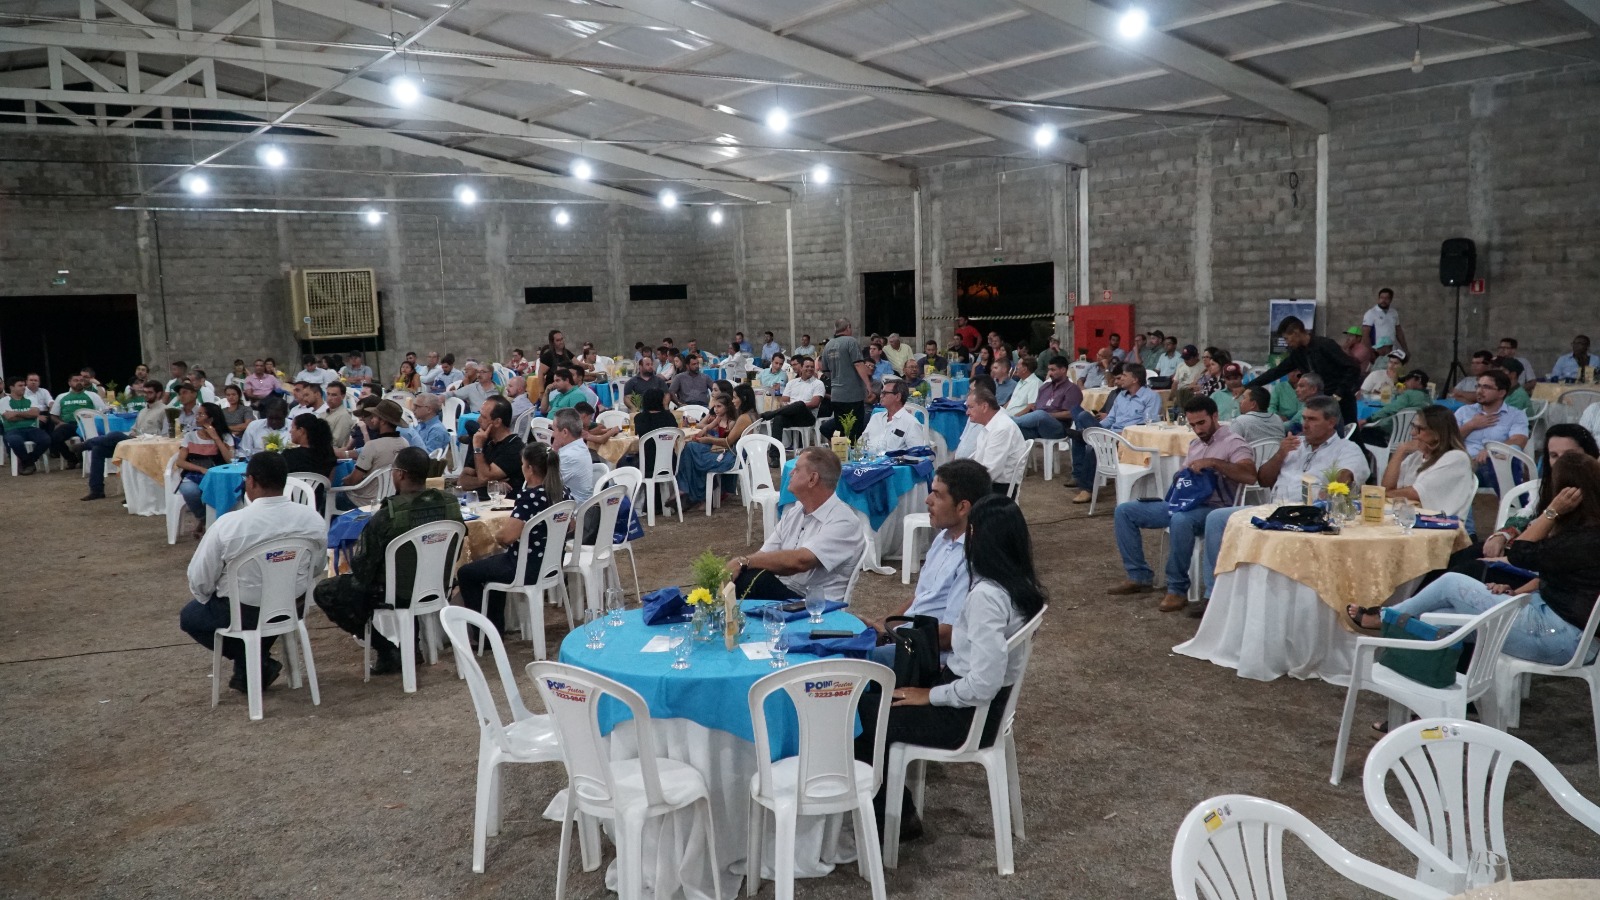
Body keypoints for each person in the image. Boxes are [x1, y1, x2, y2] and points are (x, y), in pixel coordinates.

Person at [856, 494, 1045, 839]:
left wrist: (929, 695)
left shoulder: (986, 595)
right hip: (982, 709)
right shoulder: (1021, 586)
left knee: (856, 716)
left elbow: (983, 683)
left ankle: (892, 820)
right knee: (873, 701)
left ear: (979, 539)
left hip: (964, 718)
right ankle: (890, 811)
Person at [1348, 453, 1600, 669]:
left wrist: (1551, 512)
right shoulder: (1585, 533)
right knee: (1432, 619)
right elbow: (1552, 579)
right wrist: (1515, 592)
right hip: (1556, 624)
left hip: (1562, 637)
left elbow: (1520, 553)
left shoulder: (1583, 540)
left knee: (1450, 582)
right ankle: (1434, 700)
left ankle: (1385, 617)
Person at [177, 452, 327, 693]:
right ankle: (254, 664)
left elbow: (200, 579)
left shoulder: (229, 525)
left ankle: (253, 662)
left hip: (244, 611)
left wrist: (212, 595)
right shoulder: (312, 519)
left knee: (190, 616)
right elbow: (317, 567)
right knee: (255, 607)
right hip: (292, 605)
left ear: (251, 481)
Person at [1199, 396, 1369, 606]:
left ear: (1331, 422)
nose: (1305, 424)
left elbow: (1347, 475)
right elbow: (1263, 480)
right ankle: (1213, 595)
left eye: (1313, 419)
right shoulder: (1294, 445)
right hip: (1273, 510)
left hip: (1308, 517)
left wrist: (1333, 489)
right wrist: (1280, 454)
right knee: (1216, 518)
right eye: (1304, 418)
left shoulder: (1347, 449)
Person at [315, 448, 463, 675]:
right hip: (437, 584)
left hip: (395, 591)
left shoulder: (387, 516)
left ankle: (387, 649)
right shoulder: (449, 505)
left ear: (400, 474)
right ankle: (409, 647)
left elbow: (363, 569)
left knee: (327, 591)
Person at [1109, 396, 1257, 612]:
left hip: (1214, 509)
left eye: (1202, 423)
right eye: (1193, 425)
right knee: (1125, 511)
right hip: (1184, 502)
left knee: (1180, 520)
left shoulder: (1234, 442)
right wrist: (1182, 475)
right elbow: (1183, 476)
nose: (1197, 429)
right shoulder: (1195, 444)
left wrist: (1214, 463)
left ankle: (1177, 588)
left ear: (1215, 416)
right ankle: (1138, 575)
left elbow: (1250, 475)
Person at [864, 459, 990, 667]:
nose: (927, 500)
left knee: (847, 662)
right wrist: (881, 626)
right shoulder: (943, 539)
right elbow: (920, 599)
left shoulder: (972, 557)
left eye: (937, 495)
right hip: (911, 640)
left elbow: (949, 636)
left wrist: (890, 637)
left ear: (962, 507)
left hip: (929, 657)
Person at [728, 447, 866, 601]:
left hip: (816, 604)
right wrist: (740, 566)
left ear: (812, 479)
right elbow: (764, 554)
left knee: (752, 580)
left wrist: (744, 562)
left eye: (797, 469)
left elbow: (800, 561)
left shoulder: (844, 521)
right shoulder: (795, 512)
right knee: (741, 577)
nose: (791, 473)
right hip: (788, 592)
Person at [1247, 316, 1362, 429]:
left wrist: (1338, 393)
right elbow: (1276, 372)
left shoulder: (1325, 345)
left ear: (1296, 332)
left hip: (1341, 400)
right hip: (1319, 404)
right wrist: (1247, 386)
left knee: (1349, 434)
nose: (1287, 343)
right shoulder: (1298, 354)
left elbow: (1352, 368)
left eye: (1287, 338)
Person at [1070, 362, 1162, 504]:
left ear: (1135, 379)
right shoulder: (1121, 396)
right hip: (1111, 434)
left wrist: (1120, 432)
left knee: (1092, 447)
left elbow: (1149, 423)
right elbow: (1110, 419)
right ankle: (1090, 435)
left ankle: (1086, 489)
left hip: (1129, 438)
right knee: (1083, 416)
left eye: (1124, 375)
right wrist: (1098, 429)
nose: (1120, 378)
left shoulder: (1151, 397)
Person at [1378, 405, 1475, 517]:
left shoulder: (1456, 458)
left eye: (1419, 429)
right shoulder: (1417, 456)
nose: (1412, 433)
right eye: (1413, 426)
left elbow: (1416, 493)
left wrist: (1389, 493)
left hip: (1440, 522)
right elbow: (1386, 486)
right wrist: (1400, 451)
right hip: (1411, 517)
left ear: (1437, 434)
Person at [80, 380, 170, 499]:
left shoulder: (165, 410)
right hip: (134, 442)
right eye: (145, 392)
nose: (146, 395)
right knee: (98, 449)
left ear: (159, 394)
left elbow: (166, 435)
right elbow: (134, 429)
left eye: (150, 393)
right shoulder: (143, 411)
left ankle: (84, 445)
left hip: (149, 445)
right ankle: (96, 490)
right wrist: (132, 436)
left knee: (116, 435)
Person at [1455, 368, 1530, 496]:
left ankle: (1509, 502)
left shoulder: (1515, 415)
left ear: (1501, 393)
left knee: (1494, 464)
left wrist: (1492, 450)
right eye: (1478, 386)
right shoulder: (1464, 412)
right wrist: (1471, 425)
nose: (1479, 391)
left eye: (1486, 387)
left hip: (1495, 464)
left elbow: (1519, 440)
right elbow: (1448, 439)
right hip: (1464, 463)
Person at [676, 387, 757, 504]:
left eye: (735, 398)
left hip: (732, 458)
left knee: (691, 453)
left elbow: (728, 442)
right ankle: (694, 491)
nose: (733, 401)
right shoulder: (752, 414)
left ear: (743, 398)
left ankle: (695, 492)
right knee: (691, 447)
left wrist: (708, 439)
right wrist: (706, 435)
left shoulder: (744, 418)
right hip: (735, 454)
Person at [175, 402, 234, 539]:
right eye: (197, 414)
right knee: (189, 490)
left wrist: (216, 438)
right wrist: (201, 469)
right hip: (195, 474)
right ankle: (204, 519)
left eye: (201, 414)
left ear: (211, 419)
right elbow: (180, 462)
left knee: (221, 491)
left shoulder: (225, 437)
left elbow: (230, 460)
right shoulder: (190, 436)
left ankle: (218, 524)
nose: (197, 417)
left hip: (218, 476)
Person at [955, 385, 1027, 496]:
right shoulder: (991, 424)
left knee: (950, 495)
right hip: (991, 482)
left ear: (984, 407)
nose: (967, 412)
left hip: (999, 487)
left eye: (971, 407)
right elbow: (978, 460)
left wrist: (964, 482)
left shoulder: (1001, 428)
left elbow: (990, 472)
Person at [337, 399, 409, 509]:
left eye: (375, 416)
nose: (372, 419)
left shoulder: (372, 446)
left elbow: (353, 480)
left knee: (327, 497)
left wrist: (343, 481)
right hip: (390, 499)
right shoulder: (405, 443)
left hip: (363, 501)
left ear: (383, 421)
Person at [458, 396, 525, 502]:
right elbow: (462, 482)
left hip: (503, 506)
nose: (478, 420)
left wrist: (478, 448)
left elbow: (484, 477)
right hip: (478, 503)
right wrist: (493, 483)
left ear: (497, 422)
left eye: (483, 417)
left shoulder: (515, 447)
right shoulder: (484, 440)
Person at [819, 318, 871, 442]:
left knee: (841, 429)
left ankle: (842, 452)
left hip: (836, 395)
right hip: (852, 394)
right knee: (855, 430)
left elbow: (824, 369)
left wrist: (837, 376)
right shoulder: (850, 341)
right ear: (848, 327)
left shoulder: (828, 345)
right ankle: (853, 452)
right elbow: (858, 364)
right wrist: (868, 385)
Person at [1355, 369, 1432, 445]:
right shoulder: (1429, 400)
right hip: (1412, 437)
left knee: (1362, 432)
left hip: (1390, 432)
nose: (1405, 382)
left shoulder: (1409, 394)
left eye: (1408, 379)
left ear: (1418, 380)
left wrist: (1368, 419)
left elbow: (1390, 409)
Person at [47, 374, 106, 466]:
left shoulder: (92, 395)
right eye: (76, 380)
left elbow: (103, 411)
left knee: (90, 438)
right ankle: (71, 459)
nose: (79, 382)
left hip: (88, 425)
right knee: (54, 437)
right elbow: (53, 415)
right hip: (69, 425)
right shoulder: (61, 397)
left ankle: (84, 460)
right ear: (69, 383)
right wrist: (60, 422)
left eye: (81, 380)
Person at [761, 356, 826, 435]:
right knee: (778, 418)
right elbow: (784, 401)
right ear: (801, 368)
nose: (810, 369)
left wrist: (796, 406)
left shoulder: (818, 383)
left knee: (800, 404)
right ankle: (775, 443)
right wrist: (792, 407)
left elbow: (814, 404)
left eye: (812, 367)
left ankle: (771, 414)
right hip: (791, 415)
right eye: (807, 366)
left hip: (807, 416)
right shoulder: (792, 383)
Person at [859, 380, 927, 452]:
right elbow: (861, 442)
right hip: (869, 457)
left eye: (885, 393)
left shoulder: (911, 423)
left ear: (898, 397)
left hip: (894, 459)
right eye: (881, 393)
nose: (881, 396)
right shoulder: (876, 417)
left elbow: (917, 454)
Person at [3, 376, 53, 475]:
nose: (23, 388)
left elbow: (35, 413)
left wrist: (16, 413)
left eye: (24, 385)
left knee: (46, 439)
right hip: (13, 429)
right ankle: (28, 462)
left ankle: (28, 461)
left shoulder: (31, 399)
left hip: (31, 428)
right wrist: (28, 415)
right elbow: (9, 417)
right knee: (14, 441)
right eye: (20, 385)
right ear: (12, 387)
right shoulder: (3, 401)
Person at [549, 408, 595, 504]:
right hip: (578, 502)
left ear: (565, 432)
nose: (553, 434)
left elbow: (549, 485)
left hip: (573, 508)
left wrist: (554, 450)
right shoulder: (580, 446)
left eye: (554, 430)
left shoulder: (568, 456)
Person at [1361, 287, 1407, 355]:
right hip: (1376, 351)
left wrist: (1405, 349)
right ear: (1378, 298)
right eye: (1381, 298)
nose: (1383, 300)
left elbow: (1399, 332)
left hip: (1392, 350)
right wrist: (1370, 352)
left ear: (1391, 299)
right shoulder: (1371, 313)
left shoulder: (1394, 313)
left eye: (1386, 298)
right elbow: (1365, 335)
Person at [321, 381, 353, 446]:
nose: (329, 398)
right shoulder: (322, 414)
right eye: (328, 394)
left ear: (342, 396)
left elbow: (337, 442)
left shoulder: (344, 416)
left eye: (334, 395)